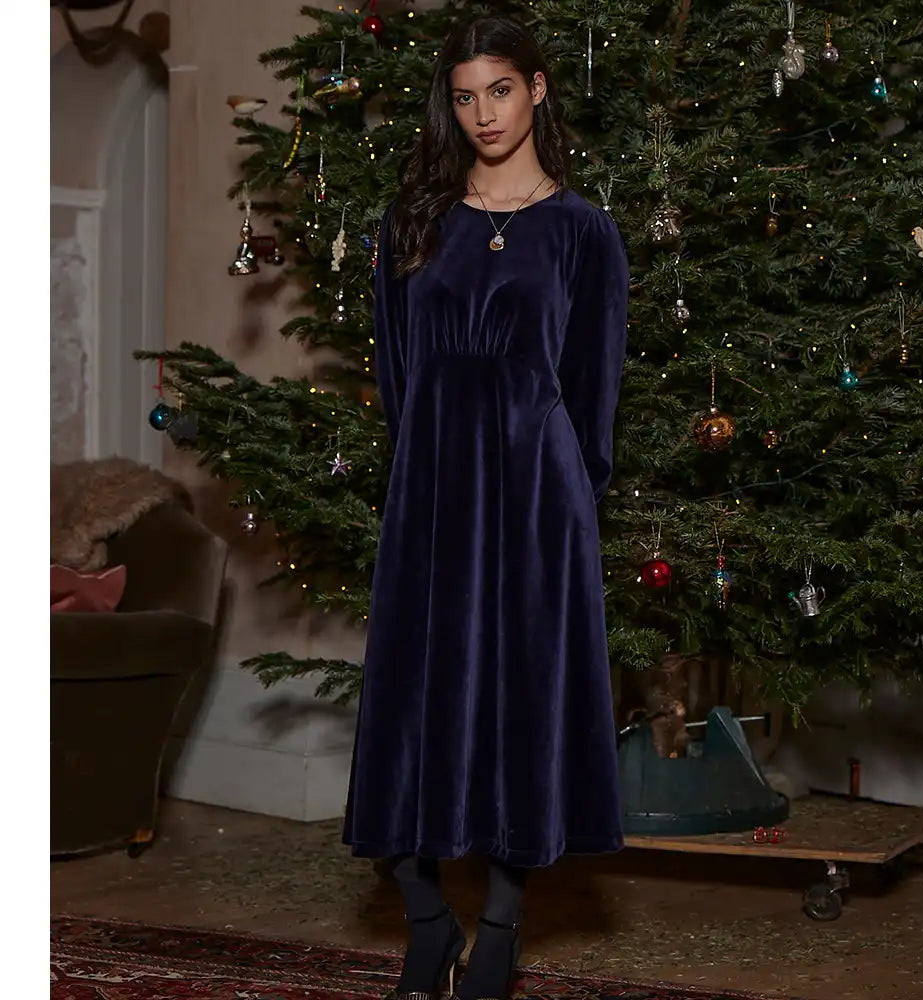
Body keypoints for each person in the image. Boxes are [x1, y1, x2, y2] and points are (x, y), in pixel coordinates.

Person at [341, 14, 629, 1000]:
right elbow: (395, 372)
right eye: (465, 97)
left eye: (500, 90)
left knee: (520, 703)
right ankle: (426, 919)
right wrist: (420, 478)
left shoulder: (584, 232)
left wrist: (568, 507)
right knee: (408, 702)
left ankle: (499, 932)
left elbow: (593, 393)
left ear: (537, 89)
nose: (483, 114)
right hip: (431, 490)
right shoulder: (411, 222)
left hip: (537, 497)